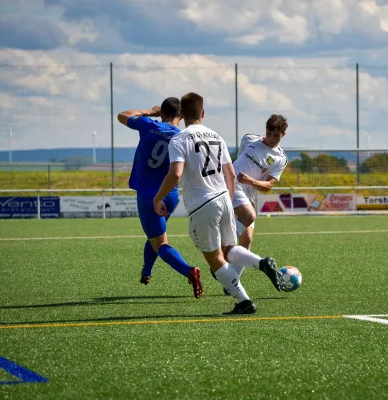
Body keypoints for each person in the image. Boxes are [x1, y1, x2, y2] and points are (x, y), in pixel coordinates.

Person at [153, 92, 284, 315]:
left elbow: (176, 174)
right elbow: (230, 173)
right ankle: (262, 263)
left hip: (203, 204)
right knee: (229, 249)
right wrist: (229, 197)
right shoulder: (217, 136)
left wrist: (158, 198)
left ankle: (243, 301)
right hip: (225, 197)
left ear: (182, 114)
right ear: (203, 113)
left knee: (214, 258)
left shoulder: (179, 138)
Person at [117, 98, 203, 299]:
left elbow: (122, 115)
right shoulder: (183, 137)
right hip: (170, 194)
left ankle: (189, 271)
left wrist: (149, 111)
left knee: (161, 243)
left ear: (161, 112)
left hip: (149, 196)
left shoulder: (148, 125)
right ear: (180, 117)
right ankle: (147, 272)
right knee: (156, 236)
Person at [228, 114, 288, 287]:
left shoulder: (280, 158)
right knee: (249, 216)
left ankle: (231, 280)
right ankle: (222, 249)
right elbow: (238, 162)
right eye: (269, 133)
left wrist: (251, 182)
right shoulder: (248, 139)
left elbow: (268, 185)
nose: (271, 138)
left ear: (283, 134)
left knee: (246, 239)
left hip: (248, 193)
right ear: (265, 131)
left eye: (276, 135)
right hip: (232, 184)